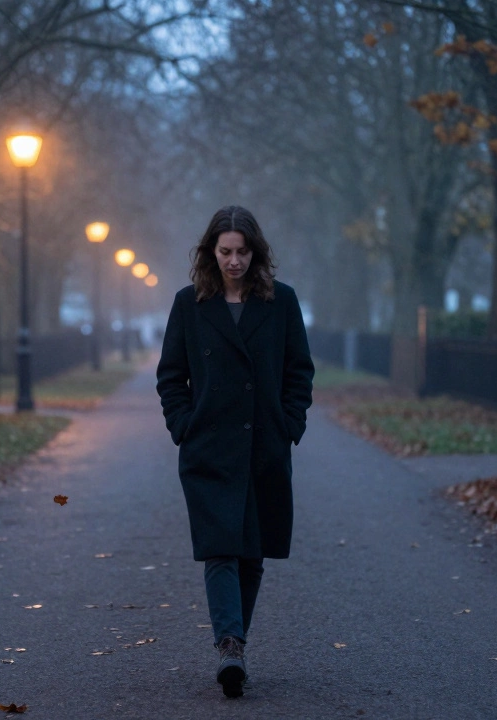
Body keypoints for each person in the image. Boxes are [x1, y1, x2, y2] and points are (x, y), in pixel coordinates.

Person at [155, 205, 315, 699]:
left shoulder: (281, 303)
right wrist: (184, 426)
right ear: (211, 252)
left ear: (255, 252)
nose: (234, 261)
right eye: (225, 251)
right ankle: (230, 644)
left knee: (253, 551)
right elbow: (170, 376)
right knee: (221, 547)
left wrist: (290, 423)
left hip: (264, 443)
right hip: (209, 446)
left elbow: (298, 371)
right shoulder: (190, 304)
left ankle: (234, 643)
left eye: (243, 251)